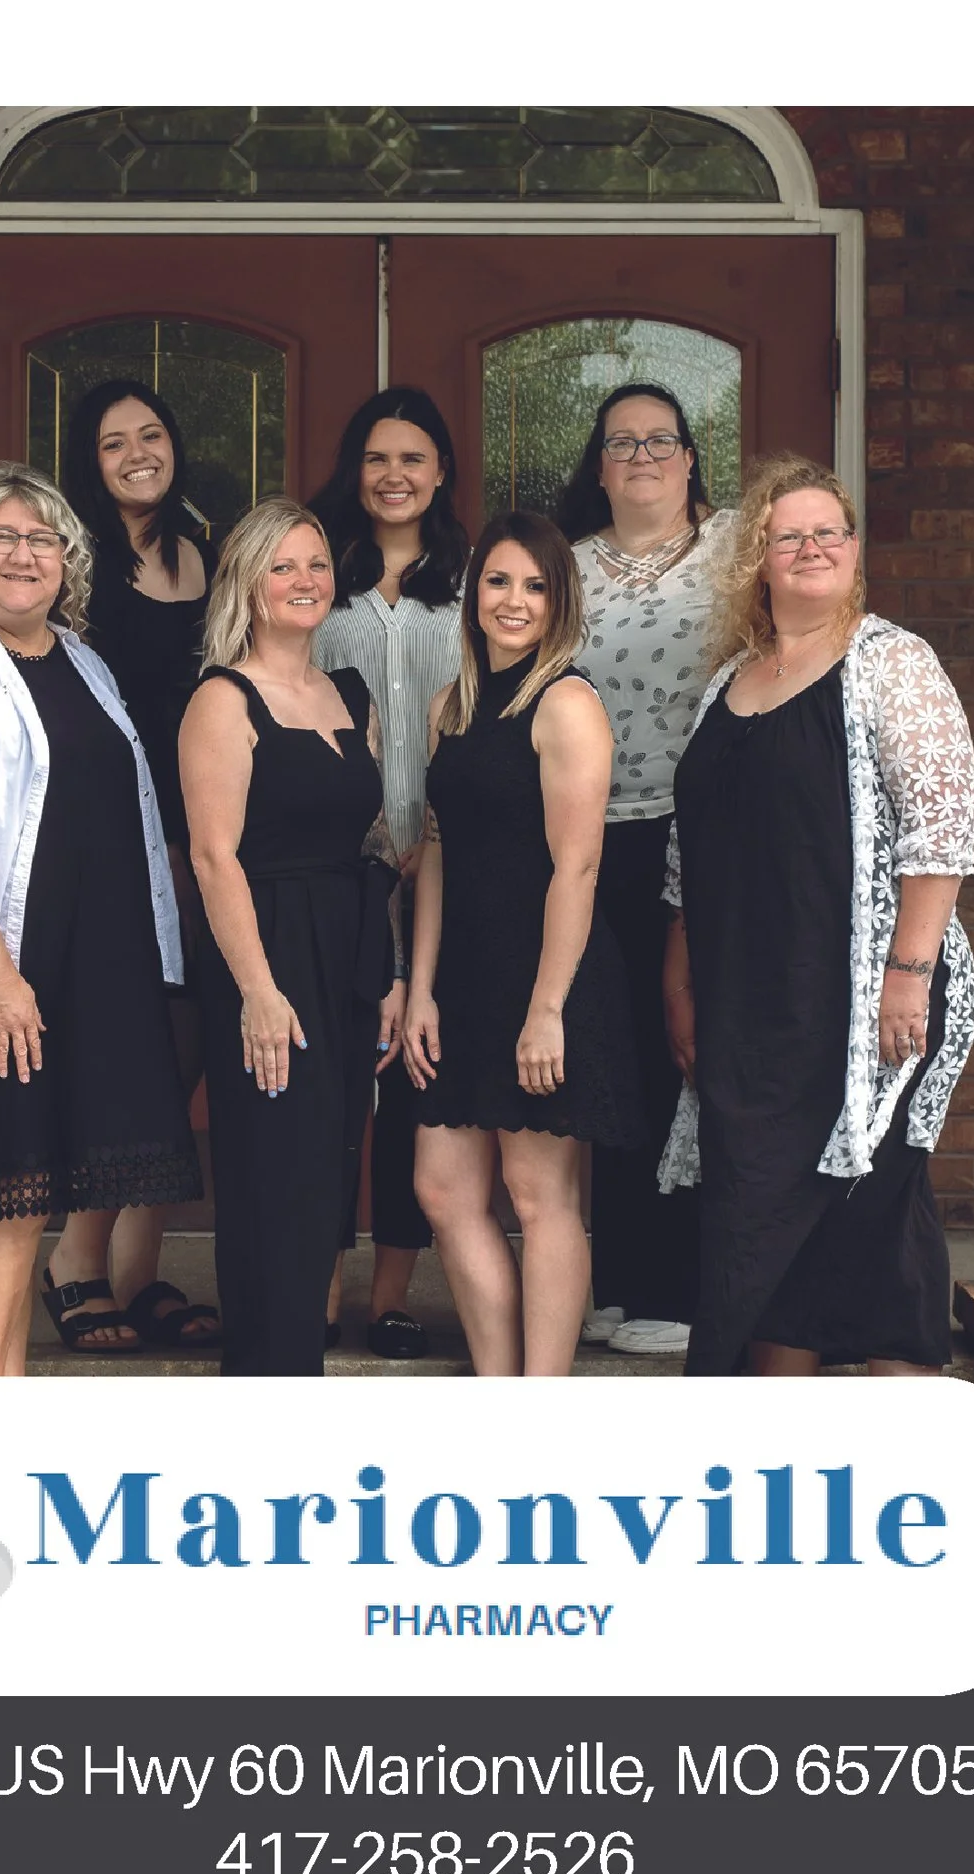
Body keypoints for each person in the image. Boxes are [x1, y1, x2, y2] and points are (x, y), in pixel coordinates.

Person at [0, 463, 199, 1375]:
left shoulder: (85, 662)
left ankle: (5, 1401)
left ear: (67, 560)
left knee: (47, 1192)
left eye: (42, 539)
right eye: (3, 537)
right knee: (10, 1201)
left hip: (91, 969)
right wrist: (0, 978)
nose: (23, 555)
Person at [660, 452, 974, 1379]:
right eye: (788, 535)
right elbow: (688, 853)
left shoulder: (891, 662)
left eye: (828, 532)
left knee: (872, 1223)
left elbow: (941, 829)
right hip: (756, 1015)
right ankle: (776, 1448)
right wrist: (679, 982)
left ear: (854, 548)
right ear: (756, 559)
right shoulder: (731, 680)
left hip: (865, 1007)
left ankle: (901, 1448)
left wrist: (907, 976)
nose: (811, 548)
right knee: (765, 1236)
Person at [403, 510, 644, 1377]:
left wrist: (548, 1012)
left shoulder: (567, 704)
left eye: (536, 586)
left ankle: (541, 1404)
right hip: (464, 978)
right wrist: (420, 988)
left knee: (540, 1196)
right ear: (474, 594)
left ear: (559, 602)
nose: (514, 601)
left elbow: (577, 869)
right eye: (499, 581)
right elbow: (437, 852)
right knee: (443, 1188)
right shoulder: (451, 706)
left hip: (548, 975)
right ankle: (501, 1390)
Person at [179, 501, 403, 1378]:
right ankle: (265, 1379)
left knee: (329, 1170)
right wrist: (258, 992)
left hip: (347, 948)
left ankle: (298, 1371)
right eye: (283, 567)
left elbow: (375, 841)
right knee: (276, 1172)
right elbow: (213, 858)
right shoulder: (221, 699)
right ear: (248, 583)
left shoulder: (349, 693)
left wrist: (386, 969)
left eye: (316, 564)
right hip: (267, 950)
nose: (305, 581)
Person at [557, 382, 739, 1360]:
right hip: (592, 836)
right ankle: (620, 1280)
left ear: (689, 457)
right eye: (621, 443)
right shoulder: (566, 568)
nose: (641, 457)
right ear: (598, 465)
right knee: (615, 1053)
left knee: (693, 1048)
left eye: (659, 440)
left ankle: (685, 1286)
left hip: (709, 829)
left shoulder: (736, 548)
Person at [55, 376, 219, 1351]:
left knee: (188, 1046)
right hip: (118, 836)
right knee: (134, 1048)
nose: (136, 454)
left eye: (150, 434)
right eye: (114, 442)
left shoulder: (206, 554)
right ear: (92, 462)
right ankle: (75, 1262)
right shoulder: (75, 567)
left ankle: (138, 1271)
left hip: (205, 834)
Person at [310, 386, 469, 1358]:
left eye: (413, 457)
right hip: (341, 865)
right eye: (377, 458)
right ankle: (323, 1288)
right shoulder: (316, 578)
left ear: (441, 471)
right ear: (354, 469)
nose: (394, 475)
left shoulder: (477, 585)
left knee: (418, 1078)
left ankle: (393, 1296)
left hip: (448, 867)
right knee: (334, 1082)